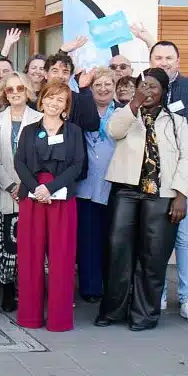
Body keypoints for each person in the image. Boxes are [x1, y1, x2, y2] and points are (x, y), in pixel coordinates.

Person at [135, 31, 188, 323]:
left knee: (185, 238)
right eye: (158, 57)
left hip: (186, 175)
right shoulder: (143, 86)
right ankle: (156, 294)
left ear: (178, 61)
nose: (164, 62)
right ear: (150, 60)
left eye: (169, 58)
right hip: (149, 176)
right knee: (153, 237)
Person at [96, 68, 188, 331]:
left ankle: (144, 315)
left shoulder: (177, 123)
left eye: (153, 87)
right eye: (143, 86)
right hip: (127, 191)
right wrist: (134, 103)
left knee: (153, 257)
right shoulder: (126, 114)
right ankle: (113, 311)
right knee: (118, 252)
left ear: (163, 91)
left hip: (161, 195)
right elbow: (114, 132)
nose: (147, 91)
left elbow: (186, 159)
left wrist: (181, 196)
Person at [14, 81, 85, 332]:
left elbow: (77, 165)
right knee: (30, 257)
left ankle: (59, 319)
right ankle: (30, 316)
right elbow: (20, 163)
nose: (54, 103)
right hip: (32, 197)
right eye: (50, 98)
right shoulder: (29, 130)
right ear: (41, 100)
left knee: (62, 259)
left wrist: (50, 188)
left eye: (60, 100)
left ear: (66, 106)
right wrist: (36, 188)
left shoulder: (74, 131)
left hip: (62, 198)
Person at [0, 72, 42, 312]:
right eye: (10, 89)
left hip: (33, 192)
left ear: (28, 90)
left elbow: (44, 159)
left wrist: (26, 184)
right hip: (5, 191)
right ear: (4, 94)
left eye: (20, 88)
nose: (16, 92)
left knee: (32, 245)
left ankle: (29, 290)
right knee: (7, 246)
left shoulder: (41, 119)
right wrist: (10, 185)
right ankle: (8, 290)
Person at [75, 68, 117, 304]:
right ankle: (91, 287)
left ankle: (111, 285)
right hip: (86, 185)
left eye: (107, 84)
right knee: (88, 239)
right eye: (97, 85)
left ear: (114, 86)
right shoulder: (82, 111)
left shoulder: (123, 112)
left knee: (112, 238)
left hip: (113, 184)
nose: (103, 88)